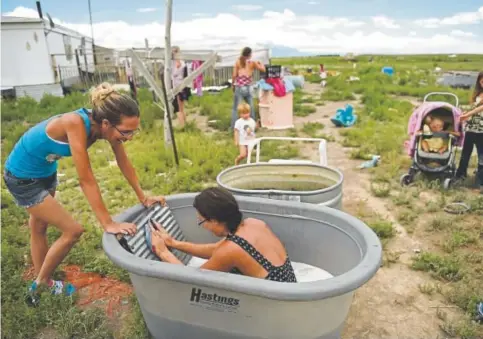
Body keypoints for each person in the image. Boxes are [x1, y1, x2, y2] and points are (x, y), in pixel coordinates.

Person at [3, 82, 166, 299]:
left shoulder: (106, 128)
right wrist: (108, 223)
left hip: (45, 172)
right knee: (73, 231)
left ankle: (42, 273)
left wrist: (143, 197)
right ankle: (41, 285)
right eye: (126, 132)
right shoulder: (75, 123)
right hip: (22, 177)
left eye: (134, 132)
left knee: (39, 226)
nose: (129, 137)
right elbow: (86, 179)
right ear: (106, 123)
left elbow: (124, 162)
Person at [148, 187, 297, 283]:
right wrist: (174, 243)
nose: (203, 227)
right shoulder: (254, 223)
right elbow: (216, 249)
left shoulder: (231, 250)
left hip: (278, 305)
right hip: (290, 288)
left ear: (214, 220)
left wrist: (163, 253)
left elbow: (193, 280)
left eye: (201, 221)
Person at [456, 71, 483, 193]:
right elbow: (473, 107)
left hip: (481, 130)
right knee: (465, 153)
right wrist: (464, 114)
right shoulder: (478, 94)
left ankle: (480, 182)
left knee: (482, 156)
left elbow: (481, 108)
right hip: (471, 128)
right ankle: (460, 176)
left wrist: (468, 114)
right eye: (481, 81)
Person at [231, 47, 266, 129]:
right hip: (249, 87)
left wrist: (233, 85)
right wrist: (260, 63)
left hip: (239, 87)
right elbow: (263, 70)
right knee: (250, 107)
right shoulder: (252, 62)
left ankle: (234, 128)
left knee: (236, 108)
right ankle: (252, 126)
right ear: (250, 54)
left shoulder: (238, 62)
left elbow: (234, 75)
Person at [171, 46, 188, 128]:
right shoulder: (183, 61)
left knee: (178, 108)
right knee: (181, 108)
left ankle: (182, 126)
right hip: (182, 86)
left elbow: (176, 70)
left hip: (178, 87)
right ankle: (185, 124)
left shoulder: (177, 62)